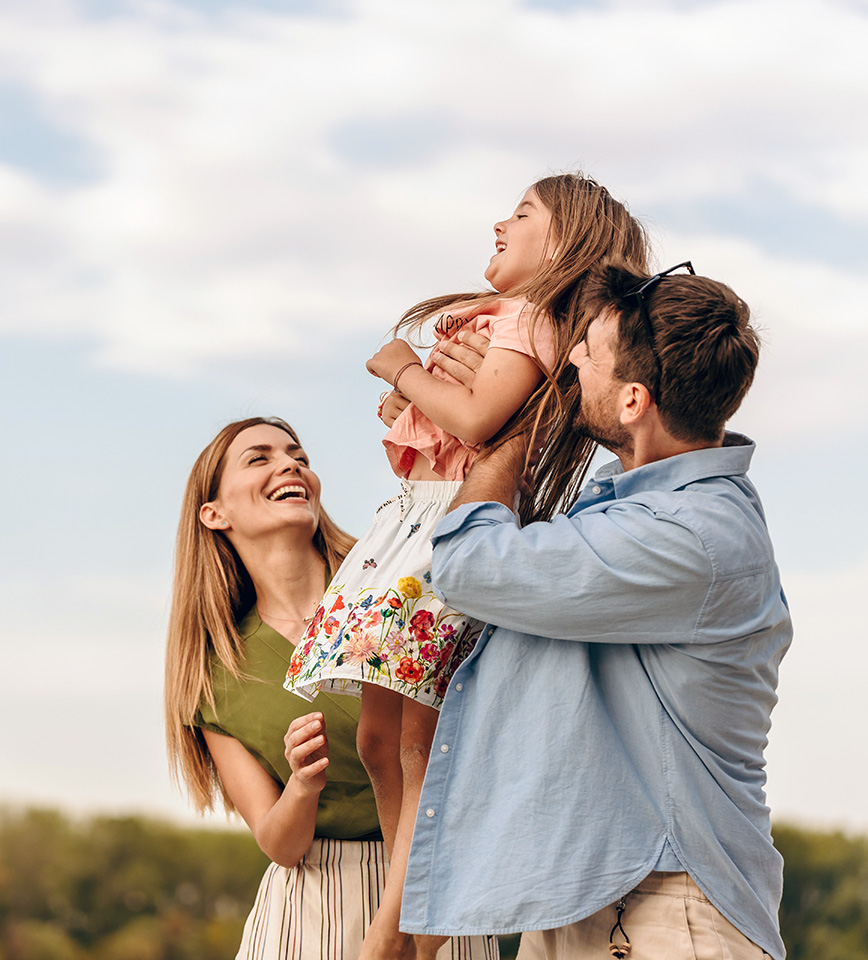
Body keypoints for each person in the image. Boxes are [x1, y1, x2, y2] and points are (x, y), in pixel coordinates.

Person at [285, 174, 650, 960]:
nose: (499, 223)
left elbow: (483, 420)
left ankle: (396, 934)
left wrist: (402, 372)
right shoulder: (506, 323)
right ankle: (408, 914)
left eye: (521, 214)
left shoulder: (528, 319)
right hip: (414, 525)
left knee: (416, 743)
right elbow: (467, 426)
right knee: (380, 742)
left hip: (443, 534)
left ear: (564, 243)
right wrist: (418, 410)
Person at [400, 264, 793, 960]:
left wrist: (511, 431)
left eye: (589, 352)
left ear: (635, 399)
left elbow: (470, 565)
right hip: (594, 893)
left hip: (670, 908)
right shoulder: (632, 506)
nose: (569, 359)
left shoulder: (687, 536)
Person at [163, 416, 497, 960]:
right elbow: (278, 844)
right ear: (214, 513)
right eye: (259, 458)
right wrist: (301, 784)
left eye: (298, 456)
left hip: (430, 883)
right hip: (310, 908)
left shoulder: (397, 585)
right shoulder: (212, 676)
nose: (290, 464)